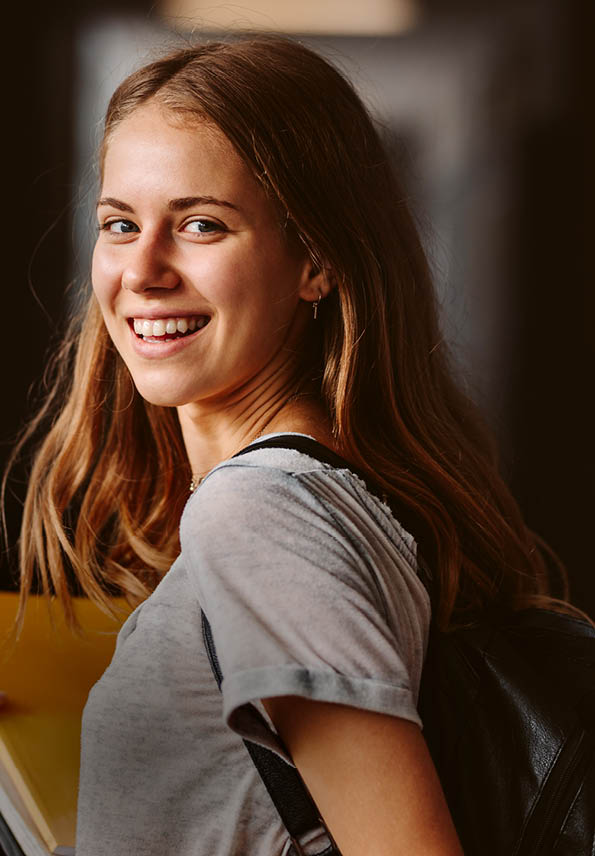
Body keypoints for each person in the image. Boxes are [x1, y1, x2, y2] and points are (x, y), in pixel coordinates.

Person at [5, 35, 581, 856]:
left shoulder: (260, 514)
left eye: (201, 224)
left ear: (314, 258)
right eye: (120, 224)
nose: (143, 269)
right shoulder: (316, 502)